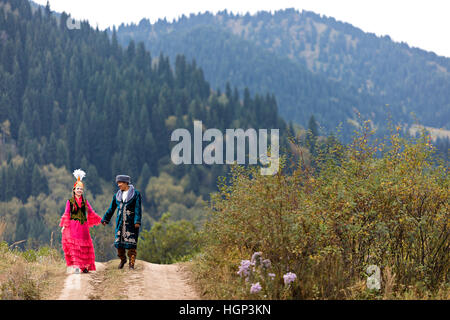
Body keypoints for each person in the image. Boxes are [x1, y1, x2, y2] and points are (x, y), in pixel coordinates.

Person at [60, 169, 102, 273]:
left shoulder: (85, 202)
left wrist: (101, 219)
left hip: (83, 227)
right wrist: (64, 226)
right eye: (78, 189)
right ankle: (77, 267)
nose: (79, 190)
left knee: (84, 246)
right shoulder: (70, 202)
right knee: (75, 246)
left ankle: (84, 266)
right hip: (73, 226)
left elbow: (91, 212)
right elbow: (66, 213)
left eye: (81, 189)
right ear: (74, 190)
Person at [101, 175, 142, 270]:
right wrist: (105, 219)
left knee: (131, 245)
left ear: (126, 183)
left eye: (120, 183)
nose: (119, 185)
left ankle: (131, 264)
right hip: (120, 224)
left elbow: (138, 209)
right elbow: (111, 209)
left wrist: (137, 221)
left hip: (131, 224)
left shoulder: (135, 194)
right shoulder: (117, 196)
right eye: (118, 183)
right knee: (119, 245)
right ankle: (123, 259)